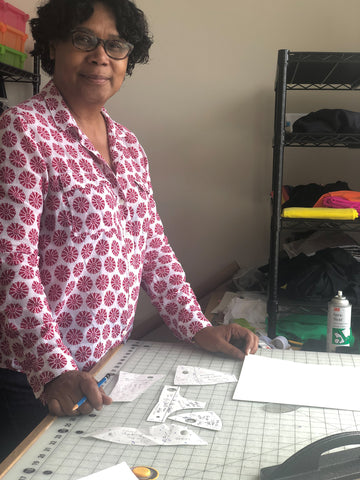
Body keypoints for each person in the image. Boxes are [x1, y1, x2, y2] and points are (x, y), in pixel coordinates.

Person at [0, 0, 258, 462]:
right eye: (83, 39)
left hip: (106, 366)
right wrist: (52, 368)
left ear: (127, 61)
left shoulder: (128, 144)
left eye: (115, 45)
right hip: (33, 377)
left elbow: (152, 248)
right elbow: (10, 262)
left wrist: (197, 326)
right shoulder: (22, 131)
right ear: (53, 47)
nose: (100, 55)